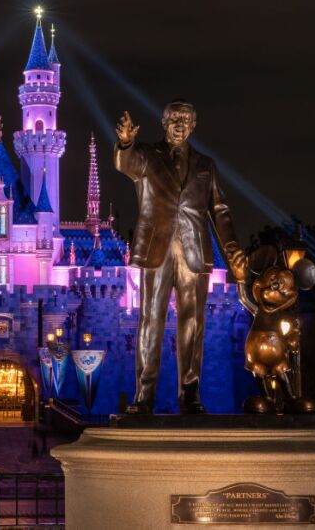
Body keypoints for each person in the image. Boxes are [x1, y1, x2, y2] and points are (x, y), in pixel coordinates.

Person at [114, 101, 247, 414]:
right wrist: (124, 142)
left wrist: (232, 251)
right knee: (150, 322)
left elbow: (220, 211)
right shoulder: (146, 156)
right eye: (174, 118)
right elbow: (125, 162)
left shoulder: (205, 165)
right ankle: (144, 396)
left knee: (192, 324)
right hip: (156, 251)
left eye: (185, 119)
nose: (179, 124)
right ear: (164, 122)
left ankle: (190, 394)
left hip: (193, 252)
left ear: (193, 125)